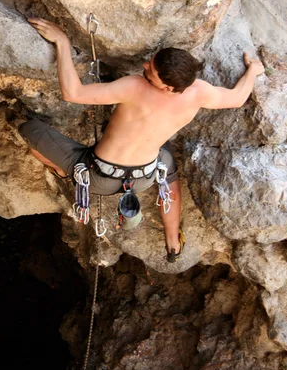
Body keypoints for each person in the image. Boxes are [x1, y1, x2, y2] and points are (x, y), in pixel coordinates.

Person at [19, 18, 265, 262]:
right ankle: (172, 239)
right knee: (167, 165)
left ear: (168, 87)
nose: (146, 65)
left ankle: (63, 171)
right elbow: (236, 98)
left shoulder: (134, 87)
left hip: (95, 176)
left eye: (152, 71)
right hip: (145, 178)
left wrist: (62, 42)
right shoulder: (199, 92)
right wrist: (253, 70)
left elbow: (72, 93)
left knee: (30, 129)